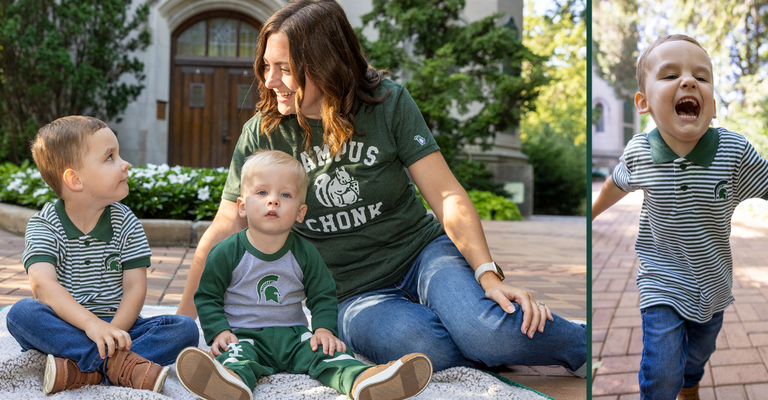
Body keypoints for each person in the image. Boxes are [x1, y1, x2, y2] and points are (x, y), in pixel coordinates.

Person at [176, 0, 588, 378]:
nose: (270, 81)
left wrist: (487, 274)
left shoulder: (386, 103)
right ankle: (492, 338)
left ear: (322, 63)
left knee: (485, 332)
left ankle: (579, 344)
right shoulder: (262, 135)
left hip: (422, 255)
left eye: (283, 68)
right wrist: (185, 330)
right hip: (349, 294)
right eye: (266, 66)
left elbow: (446, 195)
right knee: (429, 351)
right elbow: (225, 228)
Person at [592, 34, 768, 400]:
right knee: (661, 368)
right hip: (661, 278)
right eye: (669, 75)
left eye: (701, 76)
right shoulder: (640, 153)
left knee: (698, 353)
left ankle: (691, 383)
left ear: (712, 107)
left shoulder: (733, 152)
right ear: (644, 102)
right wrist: (589, 214)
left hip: (713, 282)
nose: (688, 81)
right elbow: (613, 187)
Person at [176, 150, 432, 400]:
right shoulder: (226, 252)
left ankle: (363, 380)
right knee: (233, 356)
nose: (273, 200)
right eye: (262, 192)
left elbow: (322, 294)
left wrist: (323, 329)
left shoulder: (305, 252)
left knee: (329, 352)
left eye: (285, 194)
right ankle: (231, 384)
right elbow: (208, 296)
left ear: (300, 212)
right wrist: (219, 331)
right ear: (242, 206)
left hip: (294, 336)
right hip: (243, 334)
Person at [4, 116, 199, 395]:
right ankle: (121, 368)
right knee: (21, 314)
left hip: (121, 327)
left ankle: (82, 371)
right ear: (75, 179)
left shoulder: (126, 222)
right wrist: (92, 327)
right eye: (110, 157)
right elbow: (43, 286)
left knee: (184, 328)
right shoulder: (44, 225)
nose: (125, 163)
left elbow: (135, 288)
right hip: (66, 327)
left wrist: (111, 335)